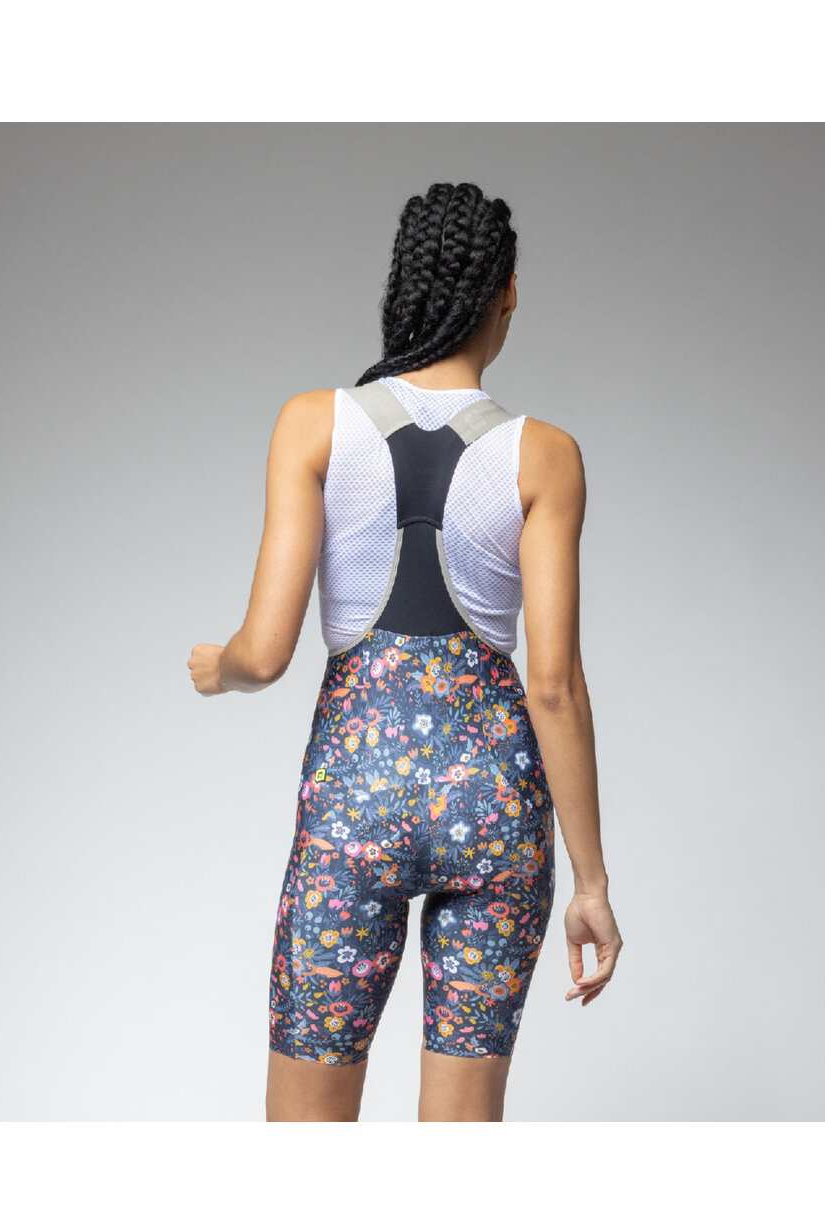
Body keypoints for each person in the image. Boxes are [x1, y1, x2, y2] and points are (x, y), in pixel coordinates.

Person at [187, 182, 622, 1122]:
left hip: (355, 812)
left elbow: (266, 653)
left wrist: (218, 667)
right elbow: (553, 687)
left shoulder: (313, 423)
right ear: (507, 295)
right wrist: (591, 882)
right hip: (495, 814)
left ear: (404, 285)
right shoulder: (546, 455)